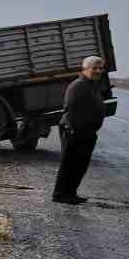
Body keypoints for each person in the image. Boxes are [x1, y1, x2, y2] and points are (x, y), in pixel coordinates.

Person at [53, 55, 107, 205]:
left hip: (87, 132)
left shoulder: (91, 84)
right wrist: (75, 130)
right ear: (85, 69)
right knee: (69, 164)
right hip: (75, 132)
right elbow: (71, 109)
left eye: (100, 68)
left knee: (80, 165)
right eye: (94, 68)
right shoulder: (78, 85)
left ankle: (70, 193)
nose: (98, 71)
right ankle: (60, 194)